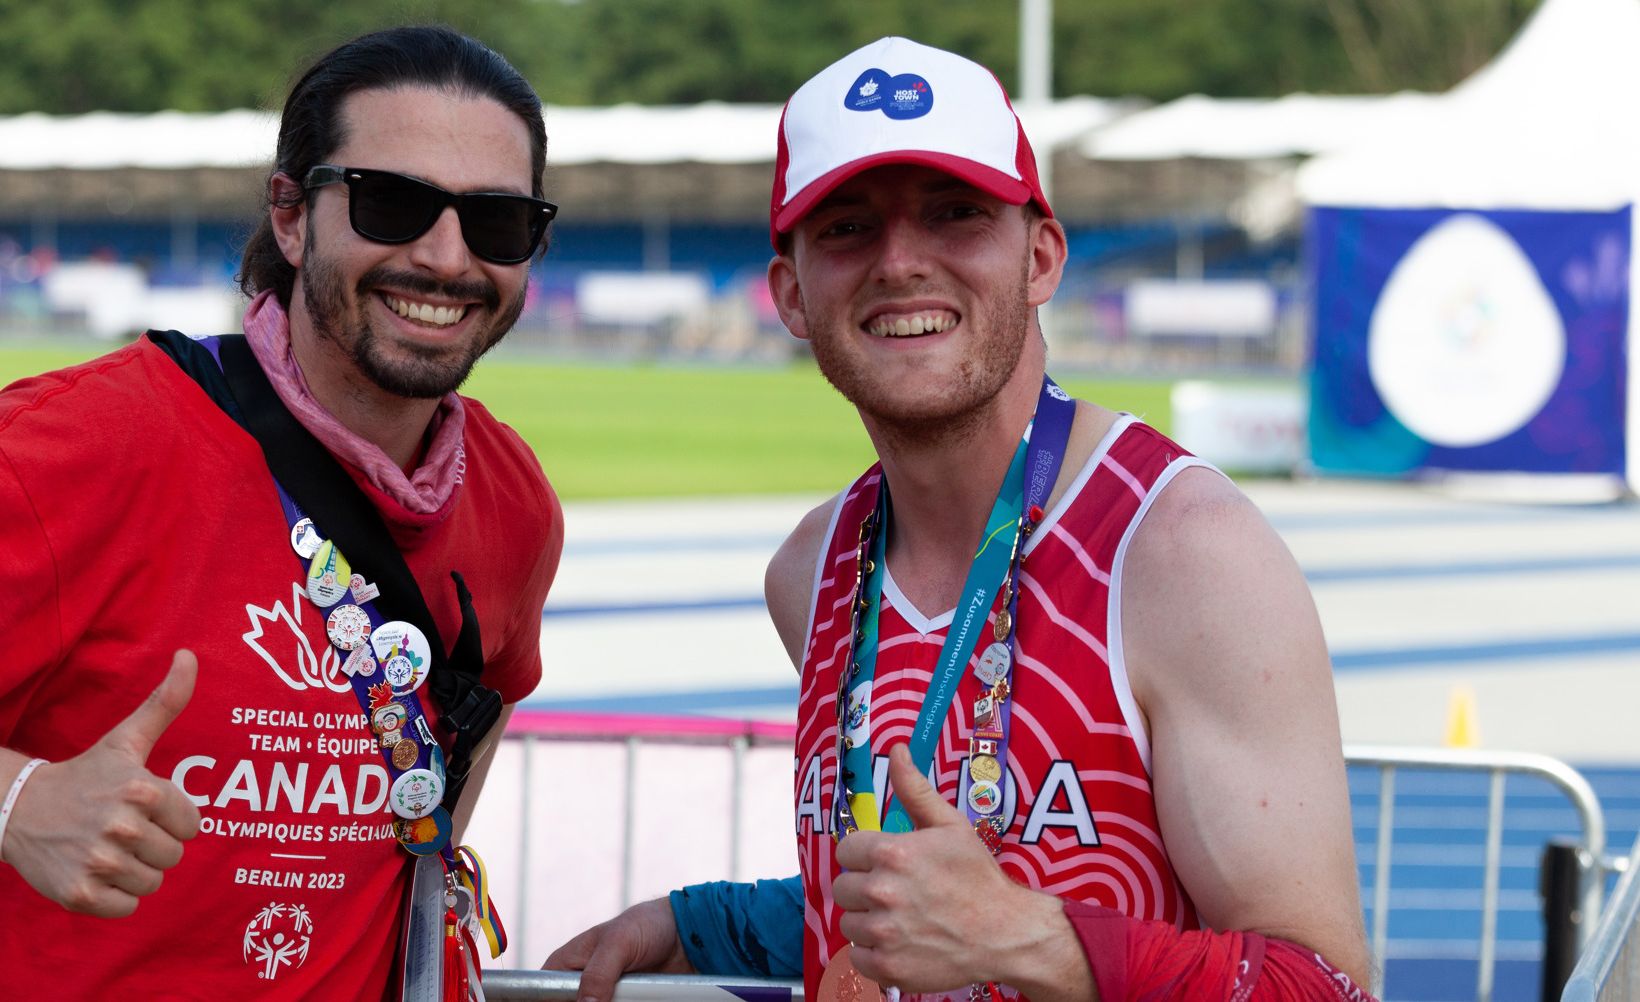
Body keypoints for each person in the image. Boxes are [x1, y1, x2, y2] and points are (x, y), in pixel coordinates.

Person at [0, 25, 562, 1000]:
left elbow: (474, 715)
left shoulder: (511, 499)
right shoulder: (94, 441)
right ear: (289, 216)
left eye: (497, 221)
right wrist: (16, 805)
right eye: (392, 203)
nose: (446, 257)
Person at [546, 36, 1372, 1002]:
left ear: (1040, 256)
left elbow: (1326, 986)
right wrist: (701, 928)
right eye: (847, 227)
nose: (900, 263)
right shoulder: (811, 571)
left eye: (955, 214)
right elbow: (931, 895)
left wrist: (1034, 945)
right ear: (790, 295)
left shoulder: (1182, 550)